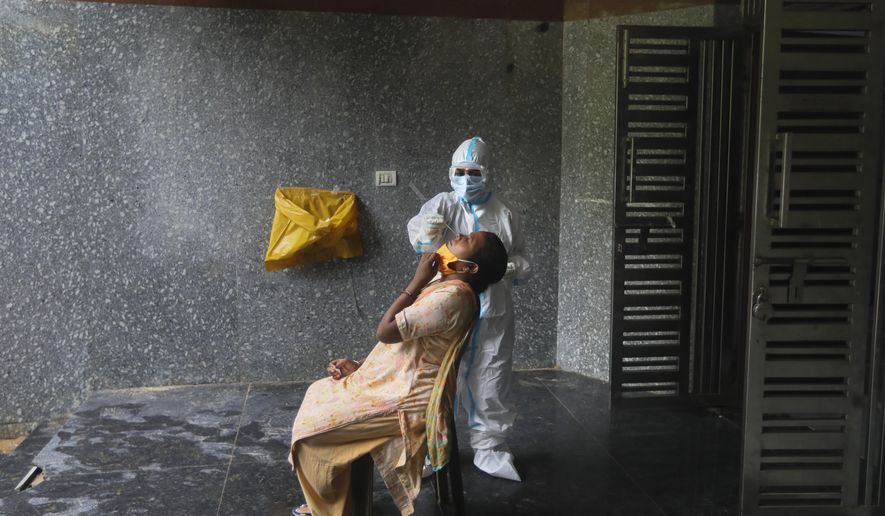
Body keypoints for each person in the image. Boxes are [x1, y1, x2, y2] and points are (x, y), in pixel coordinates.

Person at [289, 231, 508, 516]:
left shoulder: (452, 296)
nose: (457, 236)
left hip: (407, 399)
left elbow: (386, 331)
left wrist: (415, 281)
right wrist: (362, 368)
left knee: (310, 435)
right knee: (318, 392)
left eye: (466, 239)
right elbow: (411, 348)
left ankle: (327, 510)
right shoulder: (447, 287)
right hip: (397, 383)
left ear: (468, 267)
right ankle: (338, 504)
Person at [406, 136, 530, 482]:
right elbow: (420, 241)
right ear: (450, 172)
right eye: (459, 170)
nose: (465, 176)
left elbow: (523, 256)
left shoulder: (505, 213)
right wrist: (425, 232)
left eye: (472, 171)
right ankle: (431, 450)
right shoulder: (442, 204)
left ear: (486, 173)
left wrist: (511, 267)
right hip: (444, 307)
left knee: (491, 377)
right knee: (433, 379)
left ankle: (490, 450)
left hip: (492, 310)